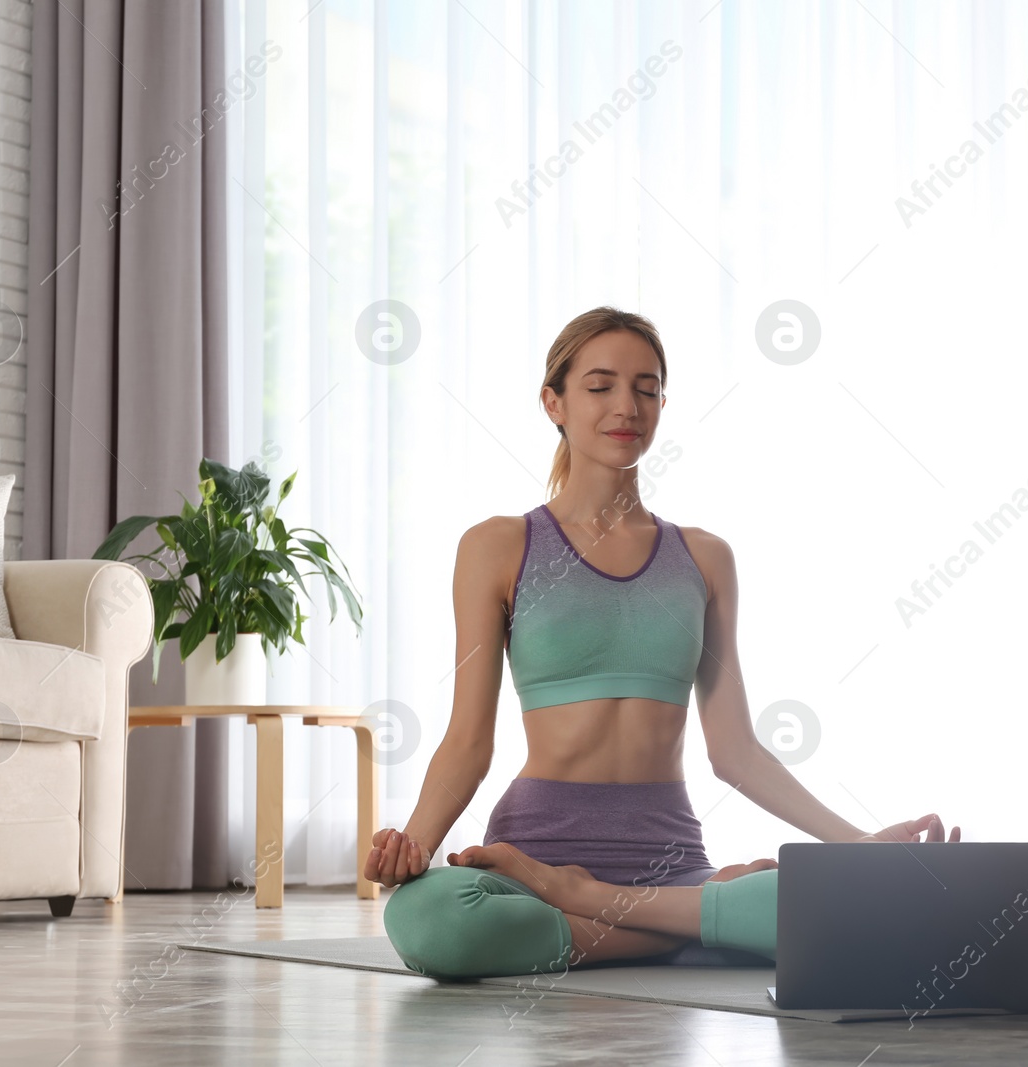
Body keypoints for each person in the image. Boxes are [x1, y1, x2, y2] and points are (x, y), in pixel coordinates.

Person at [364, 306, 961, 979]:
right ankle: (686, 928)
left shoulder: (705, 557)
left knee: (839, 904)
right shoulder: (498, 545)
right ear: (553, 402)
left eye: (646, 387)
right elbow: (469, 740)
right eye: (600, 386)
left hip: (671, 862)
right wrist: (412, 845)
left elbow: (735, 750)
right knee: (429, 919)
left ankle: (602, 907)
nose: (627, 405)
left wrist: (858, 846)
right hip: (536, 857)